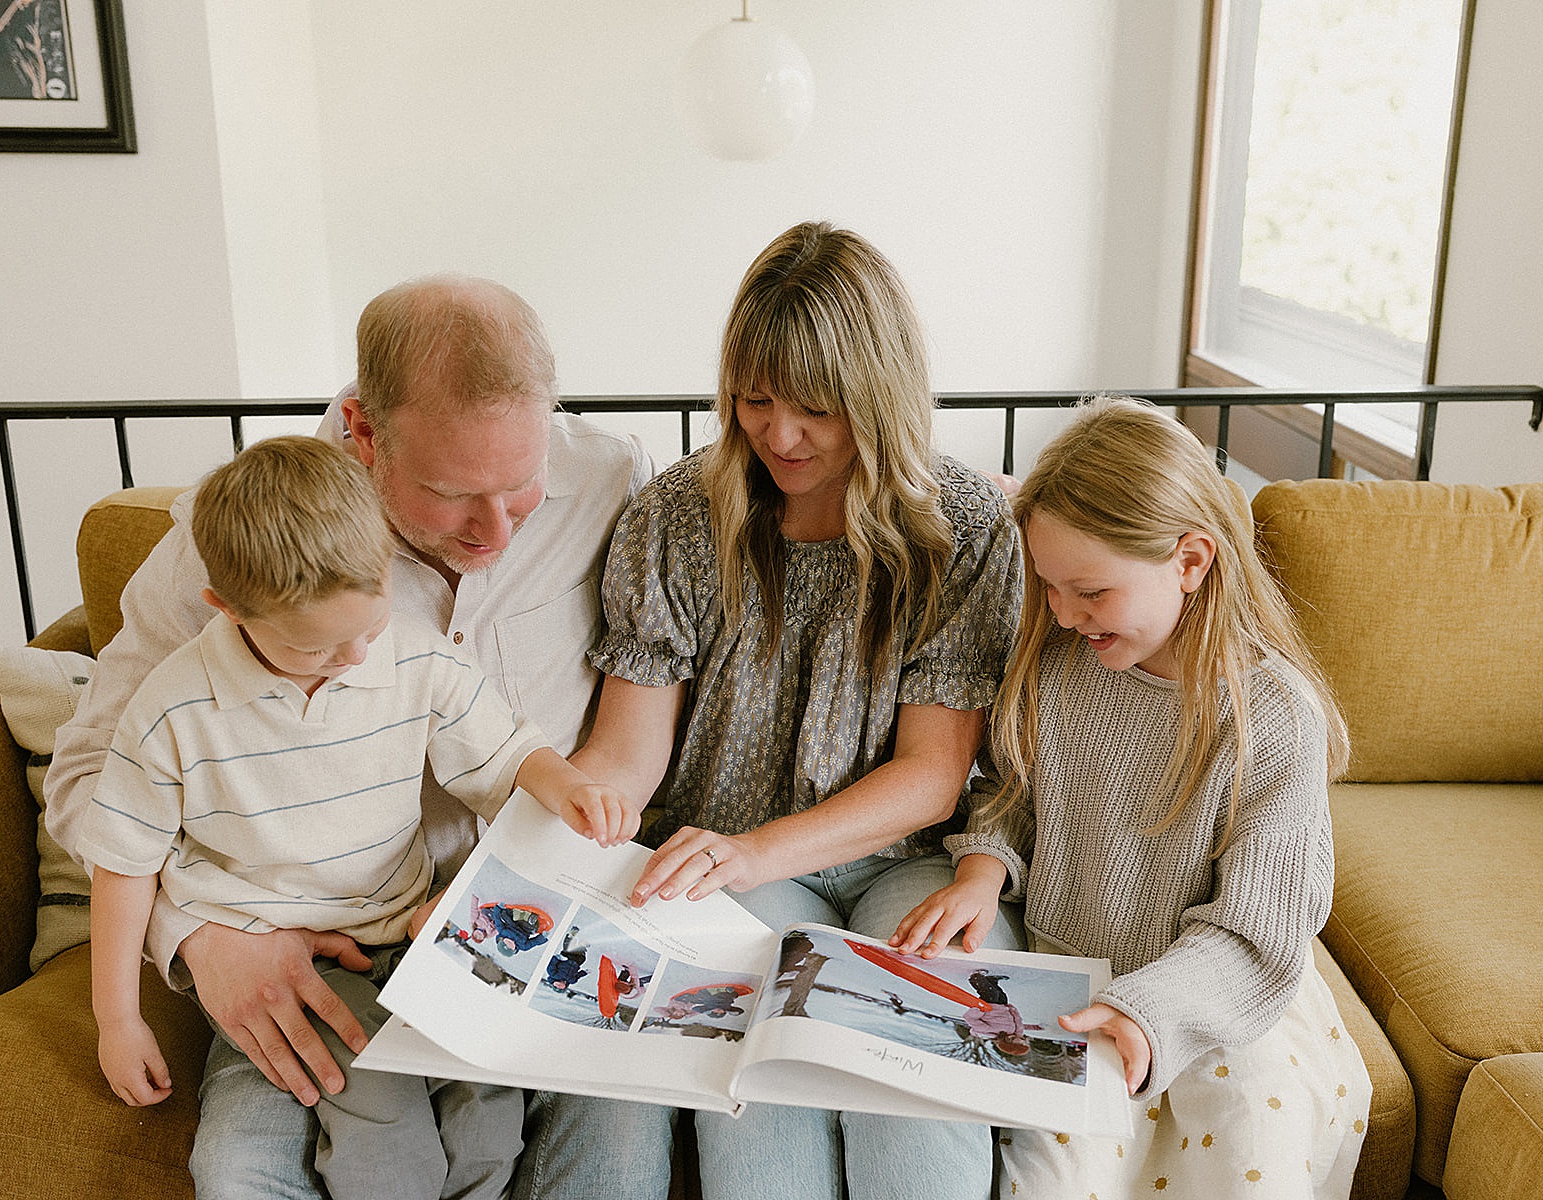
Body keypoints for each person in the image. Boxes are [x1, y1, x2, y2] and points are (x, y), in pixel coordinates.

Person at [44, 275, 655, 1200]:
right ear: (365, 433)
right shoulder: (246, 540)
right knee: (250, 1169)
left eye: (522, 486)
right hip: (300, 938)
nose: (494, 531)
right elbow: (91, 781)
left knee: (589, 1162)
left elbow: (585, 723)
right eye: (452, 494)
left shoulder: (611, 479)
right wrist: (205, 937)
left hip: (514, 926)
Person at [526, 220, 1026, 1200]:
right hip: (727, 871)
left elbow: (932, 774)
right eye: (754, 401)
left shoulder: (961, 529)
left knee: (915, 1107)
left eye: (815, 410)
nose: (779, 436)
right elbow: (627, 747)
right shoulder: (677, 514)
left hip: (901, 865)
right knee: (758, 1105)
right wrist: (585, 818)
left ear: (877, 398)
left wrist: (758, 850)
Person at [889, 395, 1372, 1197]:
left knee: (1253, 1151)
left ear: (1191, 561)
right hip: (1073, 986)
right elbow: (1014, 793)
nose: (1063, 613)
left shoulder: (1276, 718)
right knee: (1047, 1178)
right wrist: (982, 870)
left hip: (1221, 999)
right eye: (1047, 587)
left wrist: (1147, 1013)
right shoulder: (1061, 666)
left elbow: (1258, 935)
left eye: (1090, 591)